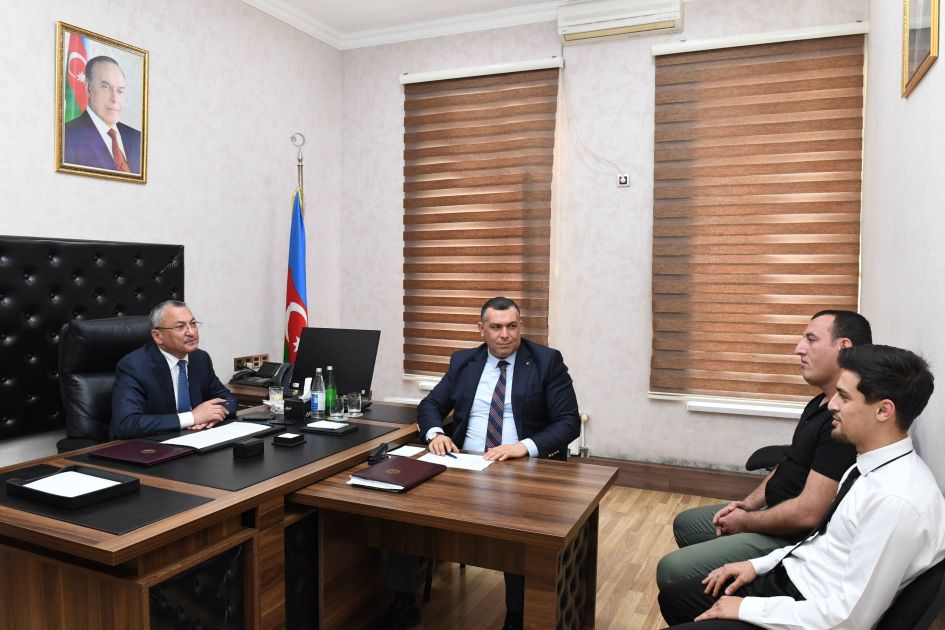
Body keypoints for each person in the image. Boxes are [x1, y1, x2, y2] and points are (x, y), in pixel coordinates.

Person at [659, 344, 945, 629]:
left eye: (844, 397)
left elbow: (850, 619)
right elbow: (819, 543)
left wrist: (748, 607)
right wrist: (757, 565)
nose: (832, 405)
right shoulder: (866, 466)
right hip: (795, 581)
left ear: (883, 410)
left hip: (811, 611)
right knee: (674, 599)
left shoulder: (896, 501)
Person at [386, 296, 581, 630]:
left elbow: (568, 422)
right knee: (405, 511)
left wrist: (523, 447)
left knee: (518, 531)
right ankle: (403, 600)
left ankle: (517, 616)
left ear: (521, 326)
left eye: (512, 326)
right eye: (496, 327)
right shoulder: (465, 362)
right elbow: (430, 405)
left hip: (520, 467)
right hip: (462, 462)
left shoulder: (546, 361)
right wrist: (435, 433)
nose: (505, 334)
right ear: (482, 329)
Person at [657, 311, 872, 590]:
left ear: (843, 348)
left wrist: (746, 522)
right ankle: (705, 589)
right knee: (686, 523)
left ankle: (705, 594)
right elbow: (789, 462)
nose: (798, 349)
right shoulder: (819, 402)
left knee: (671, 569)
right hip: (774, 510)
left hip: (792, 537)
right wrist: (747, 504)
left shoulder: (842, 423)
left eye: (810, 339)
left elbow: (808, 514)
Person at [111, 300, 236, 438]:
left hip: (195, 437)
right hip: (153, 444)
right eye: (180, 327)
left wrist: (213, 415)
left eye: (193, 324)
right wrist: (192, 417)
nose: (191, 332)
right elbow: (126, 424)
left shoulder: (200, 358)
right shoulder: (134, 366)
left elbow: (228, 400)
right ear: (158, 336)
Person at [63, 55, 142, 174]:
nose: (114, 99)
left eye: (120, 91)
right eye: (105, 87)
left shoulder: (138, 138)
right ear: (88, 88)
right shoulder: (67, 137)